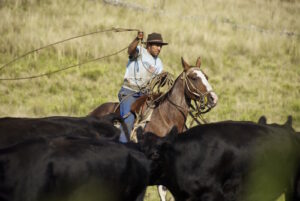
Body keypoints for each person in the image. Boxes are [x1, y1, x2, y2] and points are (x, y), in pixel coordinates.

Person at [118, 31, 168, 142]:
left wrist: (163, 78)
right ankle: (122, 145)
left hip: (145, 95)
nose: (159, 48)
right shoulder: (140, 51)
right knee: (129, 119)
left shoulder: (159, 63)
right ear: (148, 45)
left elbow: (159, 80)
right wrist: (137, 39)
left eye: (160, 46)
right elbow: (130, 50)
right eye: (156, 45)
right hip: (129, 91)